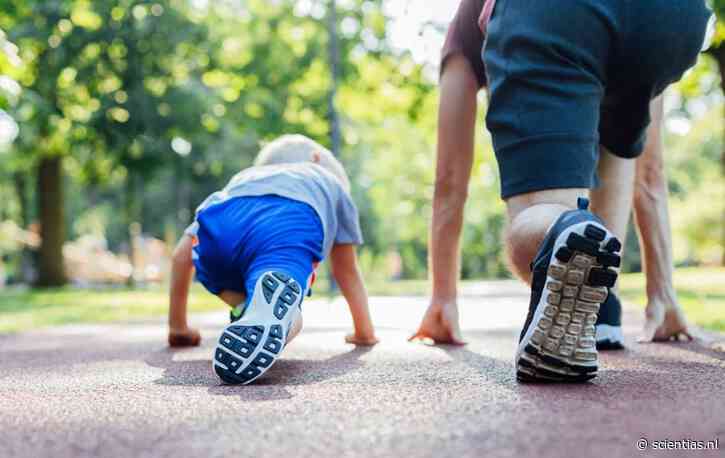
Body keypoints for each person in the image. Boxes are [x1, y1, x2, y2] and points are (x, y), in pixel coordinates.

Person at [413, 0, 711, 382]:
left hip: (554, 14)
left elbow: (449, 180)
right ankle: (604, 308)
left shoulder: (460, 30)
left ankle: (563, 238)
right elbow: (650, 173)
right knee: (619, 142)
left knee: (549, 228)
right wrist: (662, 292)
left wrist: (442, 298)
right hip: (672, 18)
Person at [167, 134, 378, 385]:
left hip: (221, 224)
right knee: (283, 293)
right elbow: (347, 270)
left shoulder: (243, 179)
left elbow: (181, 255)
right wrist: (364, 333)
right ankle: (277, 318)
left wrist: (178, 327)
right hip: (286, 224)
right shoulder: (326, 181)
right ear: (316, 158)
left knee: (238, 281)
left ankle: (248, 310)